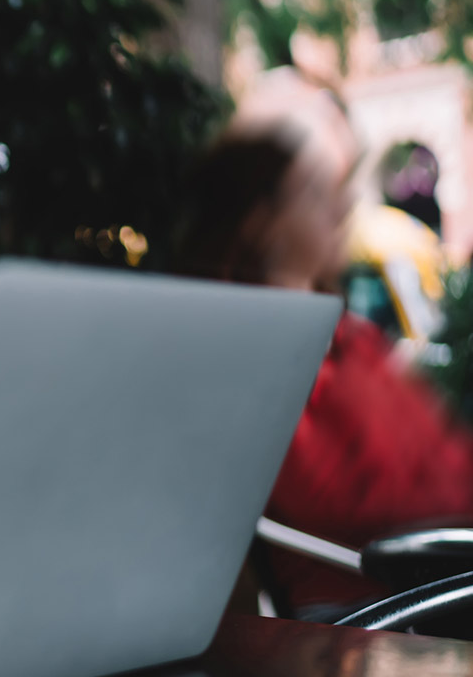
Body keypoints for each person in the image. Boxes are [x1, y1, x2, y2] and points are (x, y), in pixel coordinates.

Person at [179, 125, 473, 620]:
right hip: (380, 602)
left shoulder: (350, 336)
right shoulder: (258, 354)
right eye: (315, 194)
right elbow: (340, 503)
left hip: (439, 572)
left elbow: (439, 450)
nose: (339, 210)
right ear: (261, 221)